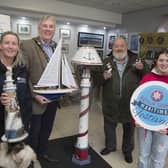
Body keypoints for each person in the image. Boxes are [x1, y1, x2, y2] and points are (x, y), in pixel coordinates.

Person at [100, 37, 148, 163]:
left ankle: (127, 151)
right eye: (116, 46)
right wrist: (103, 77)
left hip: (130, 103)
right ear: (112, 47)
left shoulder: (137, 60)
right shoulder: (106, 61)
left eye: (122, 46)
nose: (119, 48)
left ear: (126, 47)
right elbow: (97, 80)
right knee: (109, 126)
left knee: (129, 129)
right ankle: (110, 147)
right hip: (110, 102)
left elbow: (148, 77)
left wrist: (141, 69)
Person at [20, 15, 59, 163]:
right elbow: (24, 75)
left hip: (53, 97)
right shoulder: (27, 45)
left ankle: (42, 153)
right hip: (36, 99)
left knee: (47, 129)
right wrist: (35, 94)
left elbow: (57, 70)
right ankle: (30, 159)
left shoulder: (55, 46)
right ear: (39, 28)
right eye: (45, 26)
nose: (48, 29)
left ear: (54, 30)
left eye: (51, 27)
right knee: (33, 132)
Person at [136, 49, 168, 168]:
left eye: (167, 60)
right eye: (161, 60)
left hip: (164, 127)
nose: (164, 63)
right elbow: (137, 100)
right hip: (145, 124)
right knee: (143, 156)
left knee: (158, 160)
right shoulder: (147, 78)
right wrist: (136, 119)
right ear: (156, 61)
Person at [0, 31, 32, 139]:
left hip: (19, 126)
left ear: (18, 47)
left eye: (14, 44)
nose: (10, 46)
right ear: (0, 46)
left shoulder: (22, 69)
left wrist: (26, 123)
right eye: (7, 43)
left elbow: (27, 98)